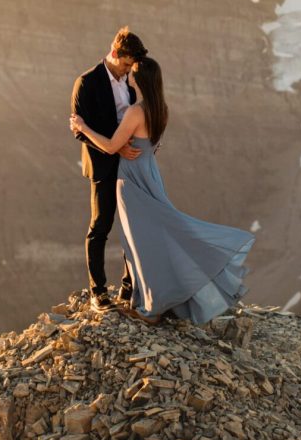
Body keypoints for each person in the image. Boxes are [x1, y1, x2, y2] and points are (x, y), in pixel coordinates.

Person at [70, 57, 255, 325]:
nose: (129, 76)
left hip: (131, 179)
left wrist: (83, 127)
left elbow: (110, 146)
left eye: (133, 73)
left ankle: (150, 308)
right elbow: (149, 145)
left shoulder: (136, 112)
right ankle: (149, 298)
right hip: (150, 174)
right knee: (156, 235)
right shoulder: (161, 109)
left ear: (141, 79)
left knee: (139, 242)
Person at [70, 27, 149, 312]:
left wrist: (126, 145)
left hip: (128, 166)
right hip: (103, 167)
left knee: (131, 228)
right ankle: (98, 292)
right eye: (127, 64)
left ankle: (128, 288)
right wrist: (114, 147)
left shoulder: (128, 87)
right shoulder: (86, 82)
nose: (129, 70)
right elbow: (80, 130)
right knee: (100, 227)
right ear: (115, 53)